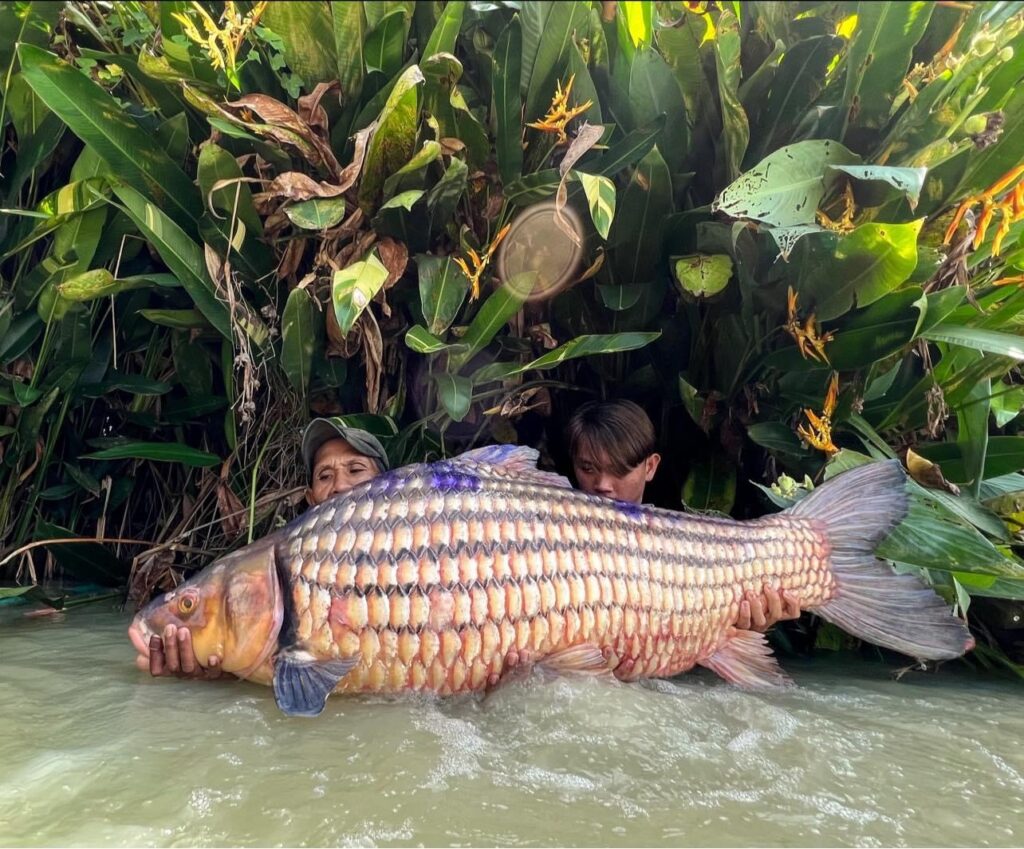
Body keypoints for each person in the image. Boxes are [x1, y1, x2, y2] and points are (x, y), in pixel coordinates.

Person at [138, 418, 390, 679]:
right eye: (324, 475)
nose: (339, 485)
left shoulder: (425, 553)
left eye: (356, 470)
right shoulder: (269, 568)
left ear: (389, 488)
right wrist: (220, 671)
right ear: (311, 498)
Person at [565, 399, 802, 632]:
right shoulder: (557, 546)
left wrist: (750, 628)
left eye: (620, 469)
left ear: (650, 467)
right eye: (588, 469)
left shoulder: (699, 547)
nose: (602, 484)